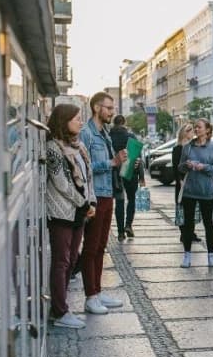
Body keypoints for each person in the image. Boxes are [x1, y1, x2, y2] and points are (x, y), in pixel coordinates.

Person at [46, 104, 95, 329]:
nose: (80, 121)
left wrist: (91, 201)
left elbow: (88, 177)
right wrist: (83, 202)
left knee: (72, 260)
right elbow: (61, 184)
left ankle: (61, 304)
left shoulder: (80, 146)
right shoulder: (53, 148)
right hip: (61, 211)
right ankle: (59, 310)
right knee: (62, 261)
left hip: (80, 210)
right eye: (76, 118)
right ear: (64, 120)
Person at [79, 92, 127, 315]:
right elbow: (83, 166)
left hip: (107, 192)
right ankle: (90, 296)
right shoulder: (86, 133)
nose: (112, 112)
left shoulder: (104, 132)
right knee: (90, 247)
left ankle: (97, 291)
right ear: (97, 108)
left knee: (100, 246)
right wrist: (111, 162)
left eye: (112, 108)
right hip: (94, 195)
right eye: (108, 108)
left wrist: (121, 162)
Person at [178, 118, 213, 268]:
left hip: (206, 192)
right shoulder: (188, 147)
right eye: (195, 127)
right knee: (188, 225)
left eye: (199, 127)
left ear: (207, 130)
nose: (196, 130)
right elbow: (180, 167)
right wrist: (187, 165)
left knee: (208, 223)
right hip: (189, 191)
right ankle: (187, 256)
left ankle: (211, 256)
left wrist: (204, 167)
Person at [109, 115, 145, 241]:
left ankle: (120, 232)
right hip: (131, 171)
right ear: (124, 123)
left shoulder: (109, 136)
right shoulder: (130, 136)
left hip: (115, 172)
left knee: (119, 201)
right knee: (131, 199)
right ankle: (128, 225)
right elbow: (137, 157)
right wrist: (142, 176)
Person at [173, 124, 201, 243]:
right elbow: (175, 166)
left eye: (192, 129)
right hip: (182, 182)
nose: (192, 132)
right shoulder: (178, 148)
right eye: (188, 130)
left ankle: (191, 232)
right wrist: (179, 179)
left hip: (193, 180)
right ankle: (184, 233)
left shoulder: (194, 146)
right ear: (183, 133)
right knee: (182, 208)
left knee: (193, 208)